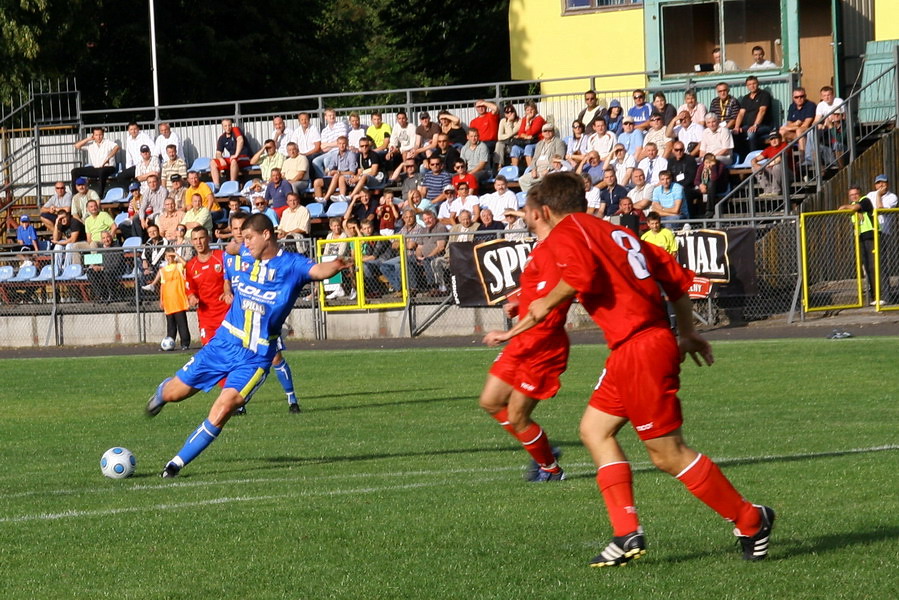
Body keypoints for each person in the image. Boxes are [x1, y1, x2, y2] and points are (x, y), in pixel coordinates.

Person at [486, 171, 775, 566]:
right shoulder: (616, 234)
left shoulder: (568, 232)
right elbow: (676, 281)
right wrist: (687, 334)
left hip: (641, 347)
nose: (530, 220)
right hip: (633, 347)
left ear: (548, 211)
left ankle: (750, 518)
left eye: (532, 215)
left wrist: (542, 304)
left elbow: (580, 277)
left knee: (667, 453)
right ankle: (626, 533)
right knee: (593, 429)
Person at [146, 214, 351, 476]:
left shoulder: (292, 265)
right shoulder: (243, 251)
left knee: (224, 408)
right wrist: (234, 246)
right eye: (243, 239)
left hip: (256, 356)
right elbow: (232, 247)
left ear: (267, 235)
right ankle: (162, 393)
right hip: (224, 343)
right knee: (175, 393)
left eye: (249, 238)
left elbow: (317, 271)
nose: (245, 243)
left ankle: (175, 464)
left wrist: (336, 264)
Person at [480, 185, 573, 482]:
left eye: (526, 211)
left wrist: (507, 334)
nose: (523, 216)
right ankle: (544, 452)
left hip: (542, 344)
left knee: (518, 416)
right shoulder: (542, 247)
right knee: (491, 402)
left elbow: (550, 304)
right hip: (524, 338)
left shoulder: (556, 249)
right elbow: (542, 291)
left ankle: (550, 468)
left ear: (538, 214)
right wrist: (519, 301)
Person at [224, 211, 301, 412]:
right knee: (237, 358)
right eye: (235, 229)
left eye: (243, 229)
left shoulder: (257, 253)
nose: (239, 233)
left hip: (263, 315)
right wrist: (227, 291)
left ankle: (292, 399)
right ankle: (239, 404)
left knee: (275, 357)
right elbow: (227, 276)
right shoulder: (230, 255)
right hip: (241, 316)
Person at [838, 186, 878, 304]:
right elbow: (842, 210)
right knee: (866, 267)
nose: (854, 196)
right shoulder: (854, 206)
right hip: (860, 237)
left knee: (873, 266)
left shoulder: (865, 200)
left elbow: (852, 207)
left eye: (856, 194)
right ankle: (873, 295)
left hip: (870, 234)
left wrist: (847, 206)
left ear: (860, 194)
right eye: (852, 195)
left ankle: (878, 295)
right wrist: (851, 209)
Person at [154, 248, 191, 350]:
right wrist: (161, 299)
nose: (169, 258)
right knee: (170, 325)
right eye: (167, 256)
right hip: (168, 301)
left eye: (171, 256)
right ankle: (170, 342)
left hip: (178, 300)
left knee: (182, 323)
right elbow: (162, 285)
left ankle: (185, 343)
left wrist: (176, 254)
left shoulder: (178, 266)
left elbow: (185, 264)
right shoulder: (163, 270)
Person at [733, 76, 774, 156]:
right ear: (747, 86)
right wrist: (737, 127)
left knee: (751, 133)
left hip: (764, 126)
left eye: (754, 83)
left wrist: (755, 125)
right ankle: (741, 158)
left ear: (758, 84)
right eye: (749, 84)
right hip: (748, 126)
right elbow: (741, 113)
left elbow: (762, 111)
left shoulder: (764, 95)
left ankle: (753, 157)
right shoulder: (745, 98)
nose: (752, 86)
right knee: (734, 133)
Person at [72, 127, 119, 195]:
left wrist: (108, 158)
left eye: (100, 135)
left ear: (103, 134)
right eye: (96, 135)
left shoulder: (108, 142)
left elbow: (116, 147)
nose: (99, 137)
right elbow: (77, 146)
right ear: (93, 135)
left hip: (109, 167)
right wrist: (88, 139)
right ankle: (75, 195)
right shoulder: (90, 144)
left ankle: (100, 196)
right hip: (96, 168)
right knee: (75, 171)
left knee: (102, 171)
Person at [86, 230, 127, 302]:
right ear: (101, 240)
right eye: (104, 238)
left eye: (108, 237)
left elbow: (116, 264)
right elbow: (92, 262)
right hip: (103, 270)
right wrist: (94, 266)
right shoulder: (99, 248)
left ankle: (112, 295)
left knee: (106, 273)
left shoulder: (117, 247)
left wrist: (102, 268)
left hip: (115, 270)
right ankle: (100, 295)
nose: (106, 240)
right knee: (90, 272)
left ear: (111, 237)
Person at [312, 136, 357, 203]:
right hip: (336, 178)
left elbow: (352, 172)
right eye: (340, 143)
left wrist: (338, 172)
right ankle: (320, 204)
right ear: (337, 144)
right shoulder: (335, 155)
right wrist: (329, 171)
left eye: (344, 143)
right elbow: (330, 167)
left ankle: (325, 199)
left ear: (347, 144)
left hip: (346, 178)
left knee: (337, 176)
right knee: (317, 182)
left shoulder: (351, 155)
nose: (342, 146)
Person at [211, 118, 251, 187]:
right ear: (222, 127)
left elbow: (240, 140)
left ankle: (232, 185)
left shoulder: (235, 129)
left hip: (244, 157)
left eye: (229, 125)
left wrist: (236, 154)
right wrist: (220, 159)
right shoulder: (222, 138)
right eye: (225, 126)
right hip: (234, 158)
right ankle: (216, 186)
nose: (228, 127)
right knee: (213, 162)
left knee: (233, 160)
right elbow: (218, 153)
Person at [509, 100, 545, 170]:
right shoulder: (524, 119)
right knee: (515, 148)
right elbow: (520, 133)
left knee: (528, 148)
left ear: (535, 110)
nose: (530, 112)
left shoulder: (539, 119)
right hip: (526, 142)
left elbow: (531, 133)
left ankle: (531, 170)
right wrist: (526, 136)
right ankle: (514, 171)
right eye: (527, 110)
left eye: (532, 109)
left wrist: (528, 122)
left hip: (538, 142)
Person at [779, 88, 816, 155]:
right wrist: (796, 124)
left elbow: (806, 125)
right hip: (796, 133)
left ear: (805, 96)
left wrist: (790, 127)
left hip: (809, 133)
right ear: (793, 98)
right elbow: (789, 123)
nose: (799, 99)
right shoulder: (792, 106)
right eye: (796, 97)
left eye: (801, 96)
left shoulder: (810, 105)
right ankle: (784, 157)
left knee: (799, 130)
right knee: (782, 132)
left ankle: (803, 157)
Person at [751, 132, 790, 197]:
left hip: (788, 172)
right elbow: (753, 160)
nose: (774, 141)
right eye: (772, 139)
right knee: (754, 168)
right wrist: (756, 165)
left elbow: (779, 159)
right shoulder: (769, 149)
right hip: (774, 171)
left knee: (776, 166)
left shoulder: (785, 145)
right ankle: (768, 191)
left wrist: (765, 166)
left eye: (776, 138)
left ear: (780, 139)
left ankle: (776, 191)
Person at [695, 153, 728, 218]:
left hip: (719, 186)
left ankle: (710, 210)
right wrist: (700, 185)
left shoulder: (720, 165)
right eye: (707, 162)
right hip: (705, 186)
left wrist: (713, 167)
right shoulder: (701, 167)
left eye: (710, 162)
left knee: (711, 184)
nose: (708, 164)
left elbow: (714, 178)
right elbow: (696, 180)